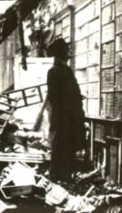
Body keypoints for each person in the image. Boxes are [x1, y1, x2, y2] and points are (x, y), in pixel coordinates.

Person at [45, 38, 85, 182]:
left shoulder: (62, 70)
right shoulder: (55, 71)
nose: (68, 52)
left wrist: (76, 98)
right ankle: (58, 177)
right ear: (60, 54)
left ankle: (63, 176)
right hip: (64, 117)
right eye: (65, 50)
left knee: (67, 146)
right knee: (61, 146)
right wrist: (72, 102)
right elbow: (55, 97)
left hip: (67, 116)